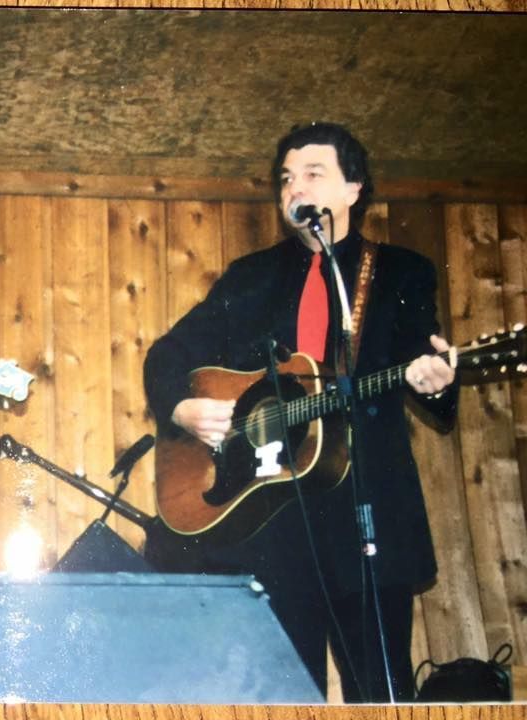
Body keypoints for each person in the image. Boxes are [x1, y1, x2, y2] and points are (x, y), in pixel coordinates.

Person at [143, 122, 458, 702]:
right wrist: (182, 409)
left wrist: (435, 383)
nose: (295, 188)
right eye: (287, 179)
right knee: (283, 699)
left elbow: (425, 367)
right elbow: (168, 354)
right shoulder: (250, 277)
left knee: (381, 698)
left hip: (366, 517)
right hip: (270, 526)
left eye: (313, 174)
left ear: (354, 188)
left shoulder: (401, 272)